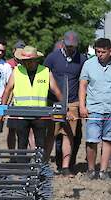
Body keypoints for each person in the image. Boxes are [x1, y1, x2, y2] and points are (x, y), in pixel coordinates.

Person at [1, 46, 63, 156]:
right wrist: (2, 109)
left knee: (40, 144)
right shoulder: (16, 72)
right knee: (22, 144)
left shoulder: (45, 71)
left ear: (35, 60)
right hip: (21, 114)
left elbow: (56, 91)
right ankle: (22, 170)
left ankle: (40, 168)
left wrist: (64, 107)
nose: (26, 63)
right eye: (24, 61)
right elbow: (7, 90)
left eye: (28, 61)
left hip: (40, 115)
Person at [44, 31, 87, 177]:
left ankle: (65, 167)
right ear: (63, 43)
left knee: (69, 135)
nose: (70, 48)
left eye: (73, 46)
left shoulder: (82, 59)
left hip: (73, 103)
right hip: (54, 102)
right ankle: (44, 165)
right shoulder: (52, 57)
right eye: (68, 46)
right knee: (51, 135)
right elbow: (45, 77)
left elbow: (84, 81)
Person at [79, 38, 111, 180]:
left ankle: (103, 171)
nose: (99, 54)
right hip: (93, 109)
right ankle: (91, 170)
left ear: (110, 51)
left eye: (103, 52)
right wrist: (82, 105)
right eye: (97, 51)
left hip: (109, 109)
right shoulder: (88, 64)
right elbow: (83, 86)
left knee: (108, 140)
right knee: (92, 141)